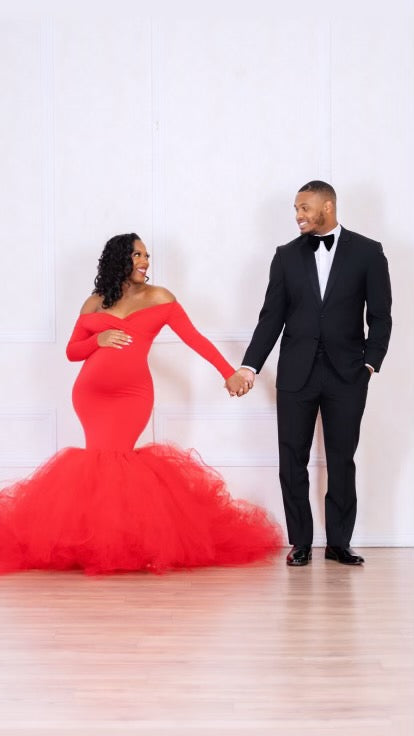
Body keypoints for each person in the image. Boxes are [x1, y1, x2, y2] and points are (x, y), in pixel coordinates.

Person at [0, 233, 283, 575]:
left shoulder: (159, 297)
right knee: (98, 464)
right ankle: (96, 543)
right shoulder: (95, 302)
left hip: (132, 396)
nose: (145, 261)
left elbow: (194, 338)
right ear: (119, 258)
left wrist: (229, 373)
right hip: (90, 395)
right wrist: (99, 339)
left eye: (147, 255)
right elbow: (72, 351)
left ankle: (123, 543)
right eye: (137, 255)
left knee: (117, 460)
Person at [235, 181, 392, 566]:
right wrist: (249, 365)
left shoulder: (368, 252)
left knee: (342, 460)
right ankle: (301, 542)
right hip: (296, 373)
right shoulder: (285, 256)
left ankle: (339, 543)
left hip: (348, 374)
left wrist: (370, 362)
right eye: (295, 209)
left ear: (328, 206)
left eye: (304, 207)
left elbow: (381, 315)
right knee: (292, 459)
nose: (298, 215)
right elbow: (271, 318)